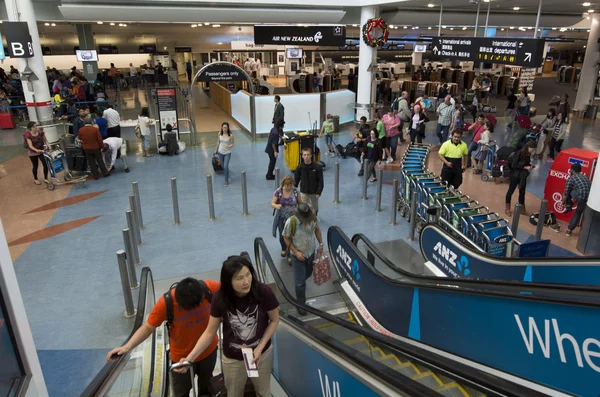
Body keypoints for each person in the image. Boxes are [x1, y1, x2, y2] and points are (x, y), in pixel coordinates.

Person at [177, 256, 280, 397]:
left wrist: (260, 347)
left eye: (248, 274)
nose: (246, 281)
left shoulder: (263, 291)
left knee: (263, 392)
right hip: (233, 358)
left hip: (262, 354)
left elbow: (274, 320)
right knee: (234, 393)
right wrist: (190, 358)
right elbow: (209, 332)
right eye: (239, 278)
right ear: (228, 281)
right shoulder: (220, 298)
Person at [108, 277, 220, 396]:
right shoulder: (166, 303)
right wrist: (128, 346)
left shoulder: (209, 289)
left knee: (207, 387)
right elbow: (148, 327)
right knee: (181, 392)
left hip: (208, 351)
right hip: (181, 359)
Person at [283, 203, 324, 312]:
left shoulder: (313, 218)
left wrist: (321, 244)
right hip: (298, 256)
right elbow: (286, 238)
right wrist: (296, 252)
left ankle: (299, 279)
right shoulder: (291, 222)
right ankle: (301, 305)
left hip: (310, 253)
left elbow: (317, 230)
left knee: (308, 273)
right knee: (300, 283)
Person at [271, 175, 301, 260]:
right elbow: (272, 203)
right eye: (286, 185)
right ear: (283, 184)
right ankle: (283, 247)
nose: (288, 187)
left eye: (290, 185)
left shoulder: (295, 191)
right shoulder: (279, 191)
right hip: (282, 217)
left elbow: (300, 203)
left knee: (290, 235)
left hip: (293, 217)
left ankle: (289, 254)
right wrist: (276, 206)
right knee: (282, 235)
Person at [505, 141, 537, 216]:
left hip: (522, 175)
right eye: (532, 149)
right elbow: (514, 165)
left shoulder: (527, 154)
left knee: (522, 192)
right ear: (528, 147)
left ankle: (522, 208)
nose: (533, 151)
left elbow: (525, 163)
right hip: (515, 175)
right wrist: (525, 167)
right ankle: (507, 209)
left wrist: (529, 165)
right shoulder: (519, 153)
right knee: (510, 191)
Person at [562, 163, 591, 237]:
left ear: (572, 170)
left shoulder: (572, 178)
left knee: (569, 190)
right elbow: (582, 193)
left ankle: (568, 206)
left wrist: (563, 203)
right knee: (578, 213)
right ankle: (569, 230)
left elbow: (566, 193)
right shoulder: (585, 177)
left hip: (581, 198)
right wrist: (573, 202)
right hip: (588, 200)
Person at [294, 147, 324, 215]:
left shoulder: (317, 167)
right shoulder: (300, 167)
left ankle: (314, 219)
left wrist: (319, 192)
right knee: (303, 207)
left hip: (314, 192)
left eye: (308, 155)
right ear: (302, 156)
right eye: (304, 155)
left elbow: (320, 181)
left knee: (315, 207)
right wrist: (294, 189)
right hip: (304, 191)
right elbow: (296, 179)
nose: (306, 157)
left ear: (311, 155)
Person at [216, 122, 234, 186]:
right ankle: (227, 172)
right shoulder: (219, 134)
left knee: (225, 166)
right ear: (222, 127)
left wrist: (229, 146)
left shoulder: (230, 135)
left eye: (226, 127)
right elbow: (218, 142)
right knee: (223, 166)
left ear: (228, 128)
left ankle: (226, 180)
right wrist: (216, 150)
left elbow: (232, 143)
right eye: (223, 127)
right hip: (220, 152)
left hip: (227, 153)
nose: (225, 129)